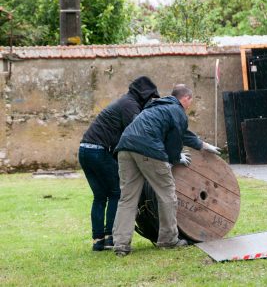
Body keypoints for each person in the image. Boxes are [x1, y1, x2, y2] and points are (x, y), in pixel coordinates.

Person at [112, 84, 220, 256]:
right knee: (167, 194)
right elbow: (175, 140)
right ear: (186, 98)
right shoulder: (177, 111)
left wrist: (203, 145)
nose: (189, 106)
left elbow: (183, 134)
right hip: (148, 149)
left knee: (127, 198)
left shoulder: (157, 107)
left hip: (125, 148)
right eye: (190, 102)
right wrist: (176, 157)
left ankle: (121, 244)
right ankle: (168, 240)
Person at [78, 76, 160, 251]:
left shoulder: (126, 102)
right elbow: (138, 134)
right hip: (98, 151)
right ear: (144, 95)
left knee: (100, 197)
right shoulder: (130, 106)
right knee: (117, 192)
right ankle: (111, 238)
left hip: (85, 150)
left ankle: (98, 241)